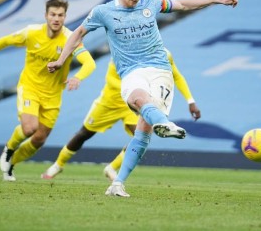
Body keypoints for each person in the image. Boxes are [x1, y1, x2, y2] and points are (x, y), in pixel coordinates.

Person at [48, 0, 238, 197]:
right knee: (137, 97)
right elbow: (77, 34)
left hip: (160, 70)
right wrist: (60, 60)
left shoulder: (152, 4)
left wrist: (217, 0)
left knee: (144, 129)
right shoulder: (103, 12)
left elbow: (184, 4)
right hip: (131, 71)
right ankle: (165, 123)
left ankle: (117, 184)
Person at [0, 0, 96, 182]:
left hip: (53, 96)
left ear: (65, 17)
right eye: (53, 14)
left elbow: (89, 63)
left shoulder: (70, 38)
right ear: (46, 16)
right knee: (29, 128)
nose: (56, 19)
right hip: (30, 88)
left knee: (40, 138)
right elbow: (5, 41)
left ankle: (11, 164)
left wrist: (77, 77)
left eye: (60, 15)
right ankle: (9, 148)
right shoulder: (32, 32)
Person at [41, 48, 201, 180]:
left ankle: (112, 168)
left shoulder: (163, 54)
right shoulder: (123, 52)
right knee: (84, 134)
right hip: (109, 102)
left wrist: (190, 100)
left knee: (139, 137)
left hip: (134, 104)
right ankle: (57, 165)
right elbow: (112, 79)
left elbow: (176, 75)